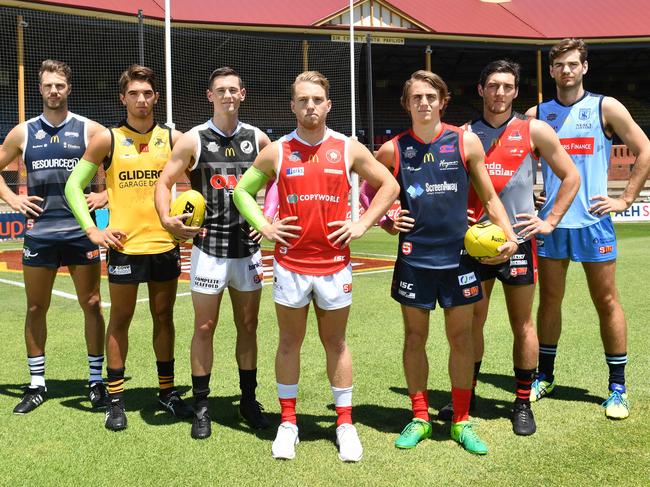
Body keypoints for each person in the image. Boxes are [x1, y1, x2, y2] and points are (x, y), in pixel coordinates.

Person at [233, 71, 399, 462]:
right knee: (289, 343)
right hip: (290, 265)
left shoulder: (348, 148)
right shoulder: (276, 150)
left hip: (335, 265)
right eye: (303, 100)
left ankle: (344, 424)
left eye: (317, 99)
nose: (310, 106)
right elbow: (241, 190)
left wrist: (362, 223)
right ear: (292, 106)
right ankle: (288, 423)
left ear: (328, 105)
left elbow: (389, 185)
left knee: (336, 343)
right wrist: (265, 225)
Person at [373, 70, 518, 455]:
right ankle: (420, 417)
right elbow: (367, 190)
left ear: (443, 101)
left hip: (459, 258)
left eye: (430, 97)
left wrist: (511, 237)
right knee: (415, 338)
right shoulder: (392, 149)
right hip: (414, 258)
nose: (424, 103)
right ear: (407, 104)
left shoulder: (465, 141)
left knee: (461, 339)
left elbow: (489, 199)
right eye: (416, 97)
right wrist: (388, 219)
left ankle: (461, 421)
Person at [435, 60, 580, 436]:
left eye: (508, 87)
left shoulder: (534, 130)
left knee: (523, 324)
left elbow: (571, 176)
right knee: (470, 325)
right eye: (493, 86)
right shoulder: (462, 134)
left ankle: (520, 402)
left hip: (517, 244)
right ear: (481, 90)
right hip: (475, 245)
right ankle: (465, 396)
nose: (500, 93)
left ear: (516, 92)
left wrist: (548, 221)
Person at [526, 39, 650, 420]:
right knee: (549, 301)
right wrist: (525, 196)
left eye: (573, 64)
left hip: (595, 223)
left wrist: (625, 199)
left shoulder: (604, 107)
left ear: (584, 67)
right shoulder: (537, 115)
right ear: (551, 71)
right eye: (560, 64)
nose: (567, 70)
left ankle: (617, 387)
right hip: (551, 224)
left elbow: (644, 148)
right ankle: (544, 376)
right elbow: (514, 161)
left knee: (607, 302)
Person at [65, 65, 192, 431]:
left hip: (165, 244)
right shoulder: (107, 138)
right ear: (123, 98)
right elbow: (74, 186)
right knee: (120, 319)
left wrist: (192, 218)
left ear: (156, 97)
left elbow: (201, 177)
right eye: (134, 93)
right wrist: (91, 230)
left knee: (164, 318)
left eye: (147, 93)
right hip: (124, 246)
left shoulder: (173, 138)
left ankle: (166, 393)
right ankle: (116, 400)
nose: (141, 100)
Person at [154, 67, 272, 440]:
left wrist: (268, 216)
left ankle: (248, 400)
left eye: (233, 90)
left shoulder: (258, 138)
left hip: (248, 249)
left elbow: (280, 184)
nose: (227, 95)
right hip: (209, 249)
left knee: (248, 327)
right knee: (204, 327)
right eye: (220, 90)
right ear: (210, 95)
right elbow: (164, 182)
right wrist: (166, 218)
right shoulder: (193, 139)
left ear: (243, 94)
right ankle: (202, 405)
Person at [0, 60, 107, 414]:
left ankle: (95, 382)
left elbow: (117, 172)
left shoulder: (91, 130)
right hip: (41, 234)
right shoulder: (24, 133)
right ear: (40, 89)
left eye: (60, 85)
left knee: (91, 304)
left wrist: (105, 196)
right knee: (35, 307)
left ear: (69, 88)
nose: (54, 91)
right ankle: (36, 384)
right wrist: (13, 198)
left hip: (82, 232)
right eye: (48, 85)